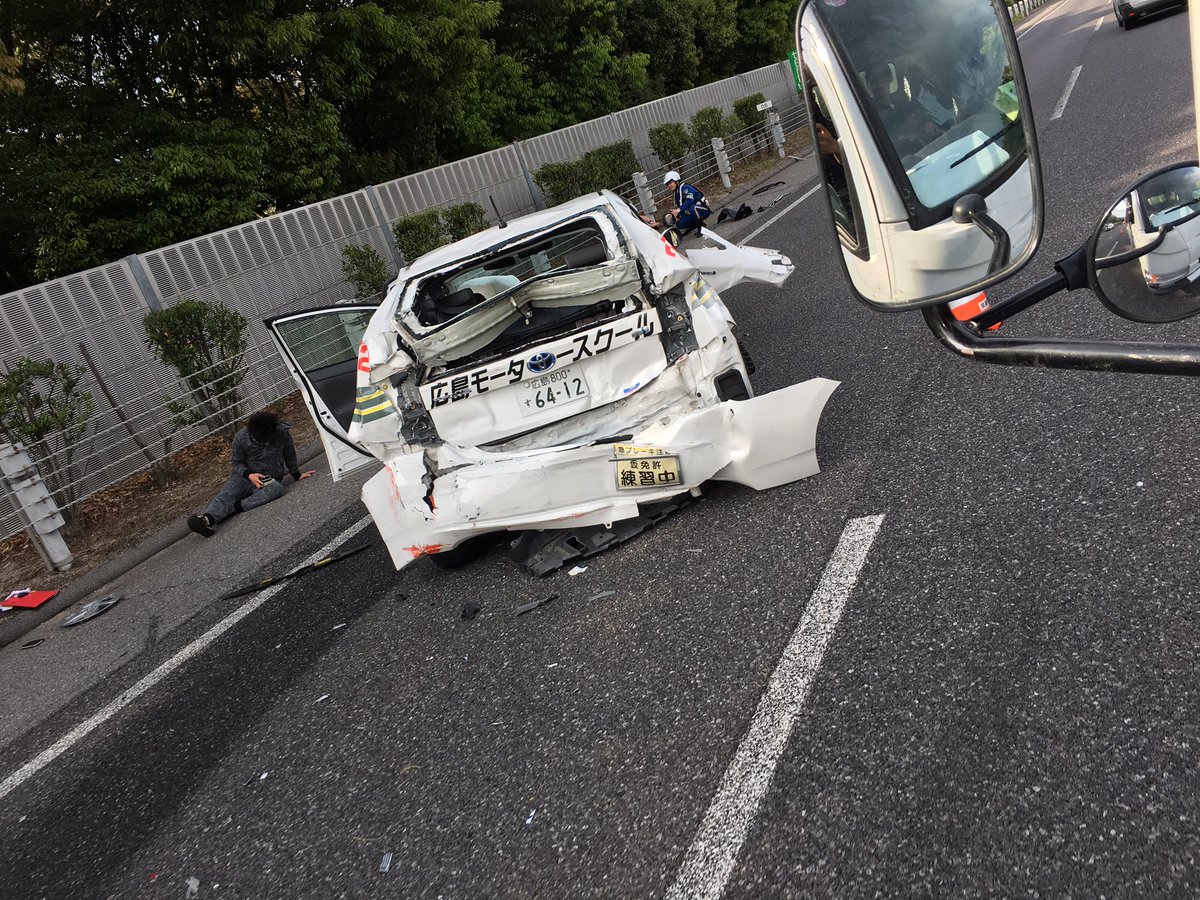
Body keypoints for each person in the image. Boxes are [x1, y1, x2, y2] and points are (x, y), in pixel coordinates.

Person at [186, 409, 316, 537]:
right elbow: (236, 463)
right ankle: (206, 520)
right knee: (227, 494)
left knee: (277, 489)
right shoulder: (241, 438)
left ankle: (234, 508)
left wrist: (296, 474)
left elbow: (289, 452)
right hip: (244, 476)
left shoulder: (281, 432)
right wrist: (249, 475)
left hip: (269, 477)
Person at [663, 170, 711, 236]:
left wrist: (678, 210)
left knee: (692, 208)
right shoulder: (676, 193)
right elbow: (682, 207)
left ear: (677, 181)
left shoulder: (685, 187)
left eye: (670, 183)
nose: (669, 186)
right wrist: (676, 215)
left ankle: (701, 229)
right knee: (680, 224)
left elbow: (690, 201)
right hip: (694, 211)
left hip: (703, 209)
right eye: (667, 184)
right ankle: (699, 224)